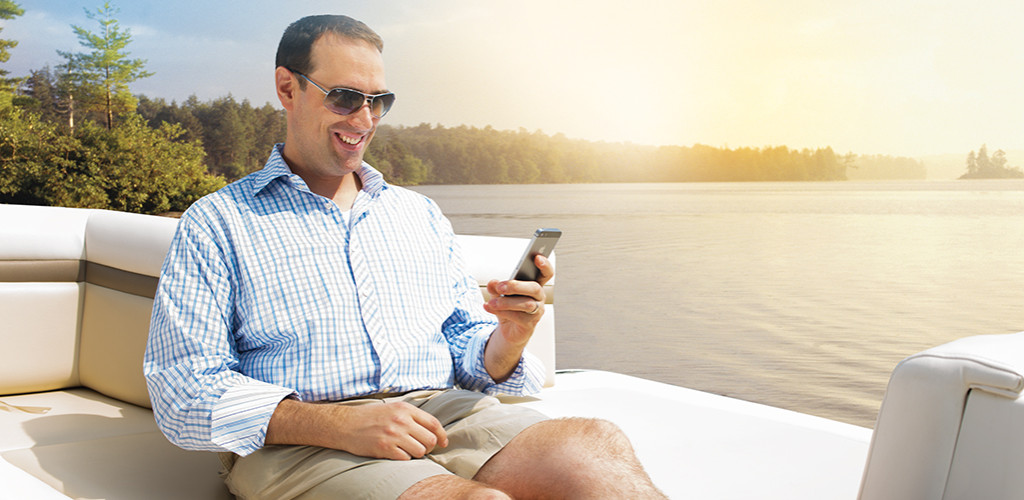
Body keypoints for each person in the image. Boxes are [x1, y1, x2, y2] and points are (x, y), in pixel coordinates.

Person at [144, 14, 666, 499]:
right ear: (288, 88)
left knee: (596, 447)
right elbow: (183, 390)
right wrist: (341, 425)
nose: (365, 119)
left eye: (379, 101)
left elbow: (465, 349)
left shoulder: (419, 215)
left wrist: (509, 339)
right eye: (346, 98)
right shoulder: (217, 222)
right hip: (301, 443)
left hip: (443, 412)